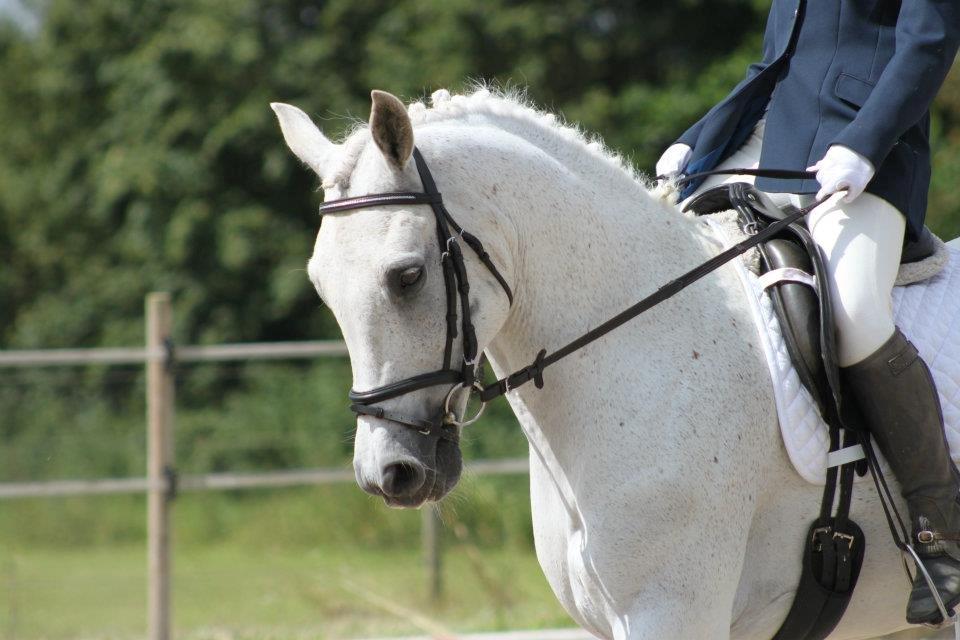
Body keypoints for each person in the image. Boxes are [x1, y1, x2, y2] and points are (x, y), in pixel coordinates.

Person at [656, 0, 960, 625]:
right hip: (769, 147)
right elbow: (774, 63)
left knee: (854, 314)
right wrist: (701, 137)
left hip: (865, 160)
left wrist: (867, 144)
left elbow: (929, 42)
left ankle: (943, 526)